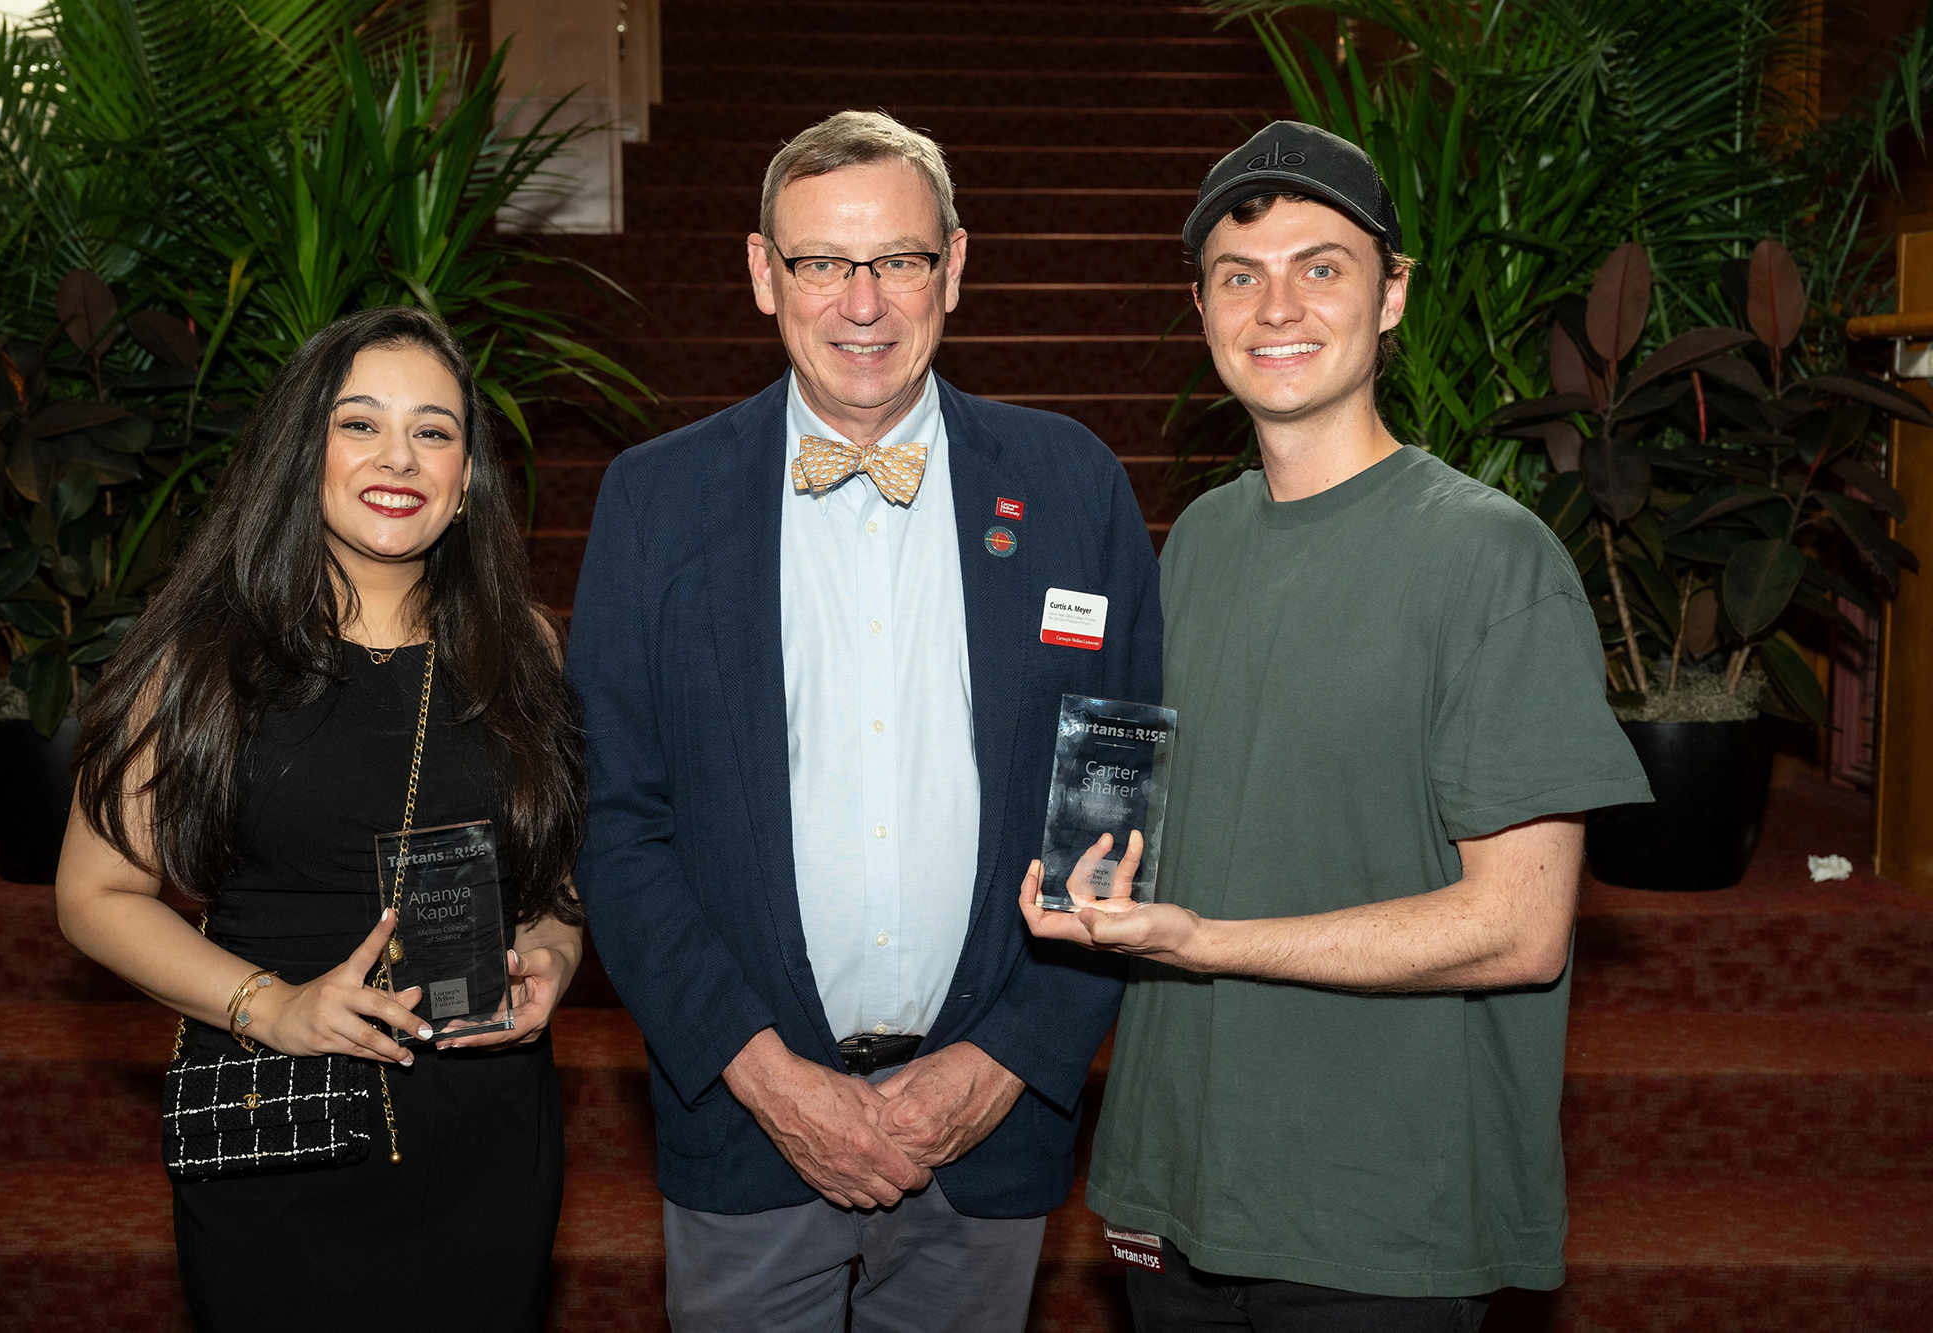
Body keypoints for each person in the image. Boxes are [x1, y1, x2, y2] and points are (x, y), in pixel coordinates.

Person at [1022, 122, 1653, 1331]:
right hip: (1178, 1175)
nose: (1276, 307)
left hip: (1374, 1208)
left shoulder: (1488, 558)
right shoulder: (1196, 539)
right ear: (1200, 306)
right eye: (1237, 274)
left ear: (1392, 293)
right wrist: (1089, 885)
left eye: (1320, 266)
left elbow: (1515, 929)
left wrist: (1203, 941)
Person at [569, 109, 1162, 1333]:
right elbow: (613, 820)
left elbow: (1122, 811)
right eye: (822, 263)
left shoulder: (1068, 487)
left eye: (895, 258)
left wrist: (1004, 1060)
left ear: (953, 265)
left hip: (988, 1127)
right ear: (759, 274)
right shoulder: (653, 501)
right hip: (742, 1118)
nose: (862, 302)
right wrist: (763, 1074)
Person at [57, 307, 587, 1333]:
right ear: (306, 448)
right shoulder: (203, 653)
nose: (400, 457)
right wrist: (275, 1007)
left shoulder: (522, 644)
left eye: (434, 431)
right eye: (361, 424)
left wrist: (553, 954)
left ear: (469, 472)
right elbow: (93, 894)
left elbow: (550, 883)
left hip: (481, 1126)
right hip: (276, 1117)